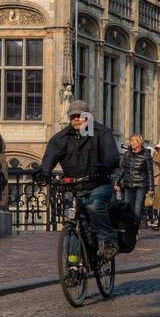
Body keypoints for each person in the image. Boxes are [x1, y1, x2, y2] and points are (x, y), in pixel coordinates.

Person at [36, 100, 121, 260]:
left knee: (94, 206)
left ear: (88, 116)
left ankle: (108, 239)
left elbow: (111, 154)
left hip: (99, 182)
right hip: (73, 186)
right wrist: (44, 172)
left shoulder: (101, 132)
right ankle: (73, 264)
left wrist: (105, 165)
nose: (76, 119)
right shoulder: (61, 138)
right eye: (73, 116)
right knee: (72, 221)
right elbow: (50, 156)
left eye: (80, 116)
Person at [114, 133, 154, 228]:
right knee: (128, 207)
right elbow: (122, 170)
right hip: (128, 184)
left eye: (133, 141)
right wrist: (116, 182)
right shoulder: (127, 154)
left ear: (139, 142)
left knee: (137, 208)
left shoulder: (146, 155)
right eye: (130, 141)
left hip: (141, 185)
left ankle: (135, 227)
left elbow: (149, 172)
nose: (131, 143)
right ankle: (129, 228)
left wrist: (151, 189)